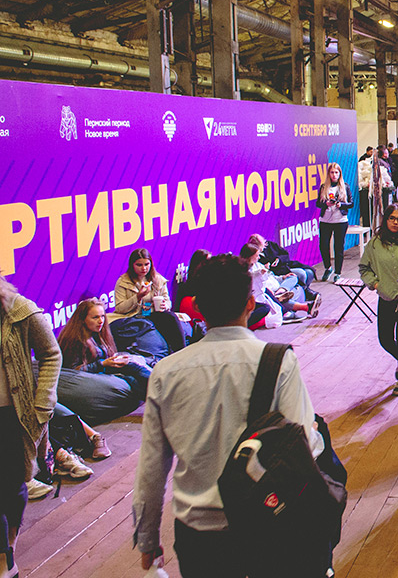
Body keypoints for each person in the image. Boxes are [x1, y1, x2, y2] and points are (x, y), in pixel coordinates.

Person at [132, 254, 323, 577]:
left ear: (198, 307)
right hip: (269, 519)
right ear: (251, 303)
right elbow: (306, 444)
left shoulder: (166, 372)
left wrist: (147, 538)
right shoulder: (278, 362)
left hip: (198, 533)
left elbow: (152, 466)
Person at [1, 275, 61, 578]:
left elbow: (51, 354)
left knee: (13, 484)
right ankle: (4, 556)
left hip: (13, 414)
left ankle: (9, 542)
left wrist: (43, 403)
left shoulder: (21, 311)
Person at [360, 203, 398, 397]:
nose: (395, 222)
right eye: (391, 218)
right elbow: (364, 268)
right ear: (385, 220)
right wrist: (376, 284)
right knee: (385, 339)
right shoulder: (375, 244)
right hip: (387, 298)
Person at [56, 298, 150, 425]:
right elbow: (72, 371)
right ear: (82, 319)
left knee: (134, 367)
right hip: (91, 379)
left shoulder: (98, 333)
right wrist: (102, 364)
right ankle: (161, 400)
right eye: (95, 317)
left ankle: (164, 393)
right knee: (133, 380)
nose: (101, 321)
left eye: (102, 316)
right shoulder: (74, 339)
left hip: (104, 371)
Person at [113, 247, 189, 351]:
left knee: (170, 317)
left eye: (146, 264)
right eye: (139, 265)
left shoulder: (157, 279)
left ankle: (181, 351)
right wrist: (137, 297)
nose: (143, 268)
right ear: (132, 265)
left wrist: (165, 305)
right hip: (133, 316)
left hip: (153, 313)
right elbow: (120, 308)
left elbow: (167, 300)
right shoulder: (123, 282)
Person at [317, 162, 354, 281]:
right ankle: (328, 268)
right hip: (325, 220)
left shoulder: (345, 186)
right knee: (323, 245)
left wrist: (341, 204)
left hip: (340, 221)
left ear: (339, 174)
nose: (334, 175)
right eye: (332, 172)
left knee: (338, 247)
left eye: (336, 172)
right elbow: (318, 203)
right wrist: (326, 204)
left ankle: (338, 272)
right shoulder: (324, 187)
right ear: (329, 174)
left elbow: (351, 203)